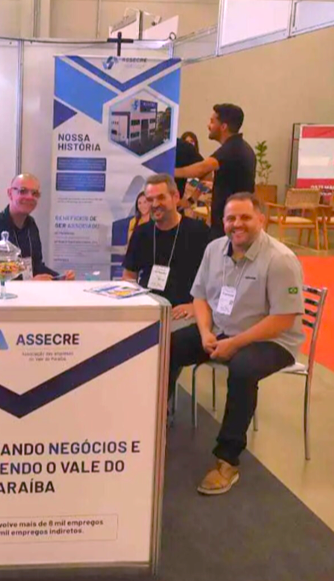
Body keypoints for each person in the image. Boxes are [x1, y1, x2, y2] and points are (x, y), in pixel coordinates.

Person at [169, 192, 304, 496]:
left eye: (245, 217)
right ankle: (158, 418)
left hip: (271, 339)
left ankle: (227, 460)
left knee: (243, 369)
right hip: (220, 330)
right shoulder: (214, 249)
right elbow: (200, 297)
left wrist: (235, 343)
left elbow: (283, 319)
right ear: (223, 221)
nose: (237, 224)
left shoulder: (280, 260)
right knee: (168, 347)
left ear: (261, 219)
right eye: (231, 218)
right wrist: (205, 332)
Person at [123, 174, 209, 321]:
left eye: (161, 198)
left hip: (184, 313)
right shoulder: (141, 233)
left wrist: (196, 306)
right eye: (150, 199)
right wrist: (135, 303)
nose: (155, 204)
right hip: (148, 311)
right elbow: (129, 276)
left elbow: (215, 280)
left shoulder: (199, 232)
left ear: (175, 197)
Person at [175, 104, 256, 240]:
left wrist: (169, 171)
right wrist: (191, 199)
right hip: (234, 220)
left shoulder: (231, 149)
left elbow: (202, 169)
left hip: (232, 223)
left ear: (223, 127)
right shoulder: (241, 147)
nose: (208, 126)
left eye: (212, 122)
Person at [0, 173, 75, 281]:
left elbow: (36, 265)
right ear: (10, 193)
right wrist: (30, 283)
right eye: (23, 191)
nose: (30, 197)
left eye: (35, 193)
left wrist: (60, 277)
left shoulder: (31, 225)